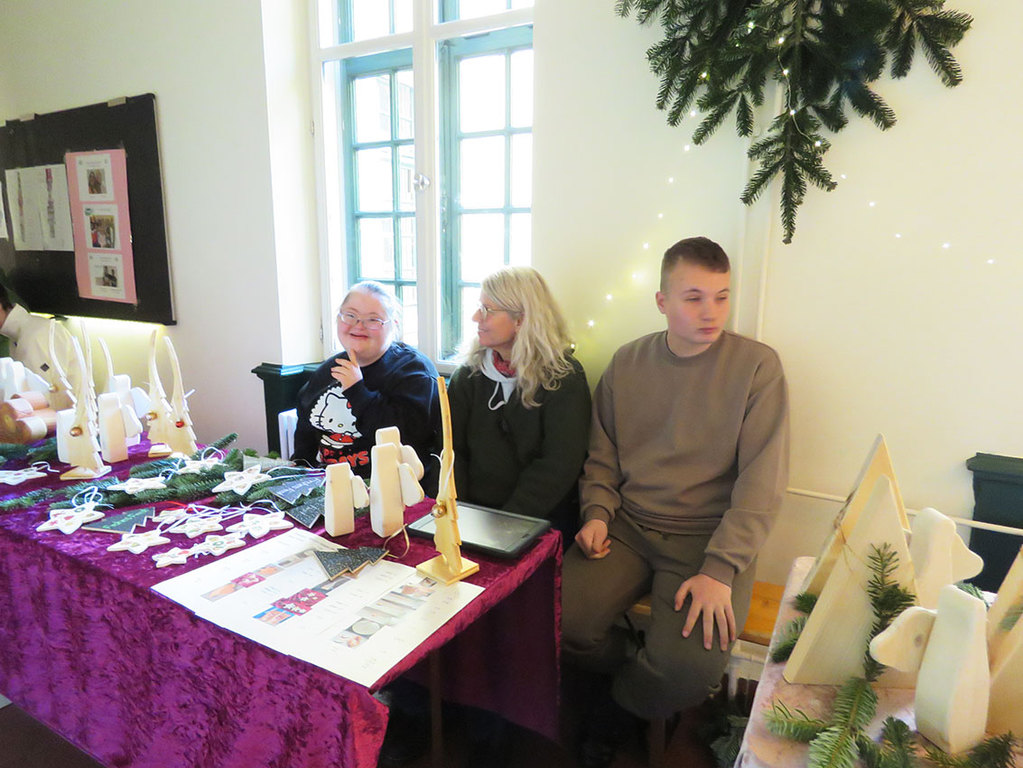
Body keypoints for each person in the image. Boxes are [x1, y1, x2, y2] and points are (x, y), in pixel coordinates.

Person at [561, 236, 789, 768]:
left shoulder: (757, 367)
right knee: (559, 620)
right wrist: (597, 513)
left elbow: (763, 481)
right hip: (627, 527)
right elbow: (603, 455)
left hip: (708, 540)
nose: (711, 312)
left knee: (691, 668)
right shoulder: (627, 363)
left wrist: (720, 569)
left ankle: (620, 707)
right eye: (694, 298)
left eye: (722, 297)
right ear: (662, 301)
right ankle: (637, 675)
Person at [448, 265, 591, 544]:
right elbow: (452, 451)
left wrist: (506, 526)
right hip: (470, 517)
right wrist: (458, 515)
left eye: (488, 310)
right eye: (479, 307)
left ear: (521, 320)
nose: (476, 317)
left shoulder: (563, 378)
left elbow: (559, 465)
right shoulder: (468, 375)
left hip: (538, 519)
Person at [291, 281, 440, 494]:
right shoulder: (326, 371)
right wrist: (299, 478)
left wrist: (357, 391)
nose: (358, 326)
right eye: (350, 315)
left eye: (373, 319)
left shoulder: (414, 371)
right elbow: (305, 437)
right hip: (330, 490)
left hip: (393, 495)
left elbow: (405, 440)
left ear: (393, 325)